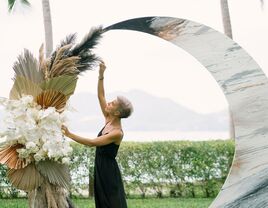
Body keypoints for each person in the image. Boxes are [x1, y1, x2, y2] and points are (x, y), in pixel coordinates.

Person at [62, 61, 133, 208]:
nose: (109, 103)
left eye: (112, 104)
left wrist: (69, 134)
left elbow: (92, 143)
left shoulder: (117, 133)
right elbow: (101, 96)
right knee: (102, 201)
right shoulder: (108, 119)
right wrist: (101, 75)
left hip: (109, 171)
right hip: (100, 167)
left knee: (113, 203)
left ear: (117, 112)